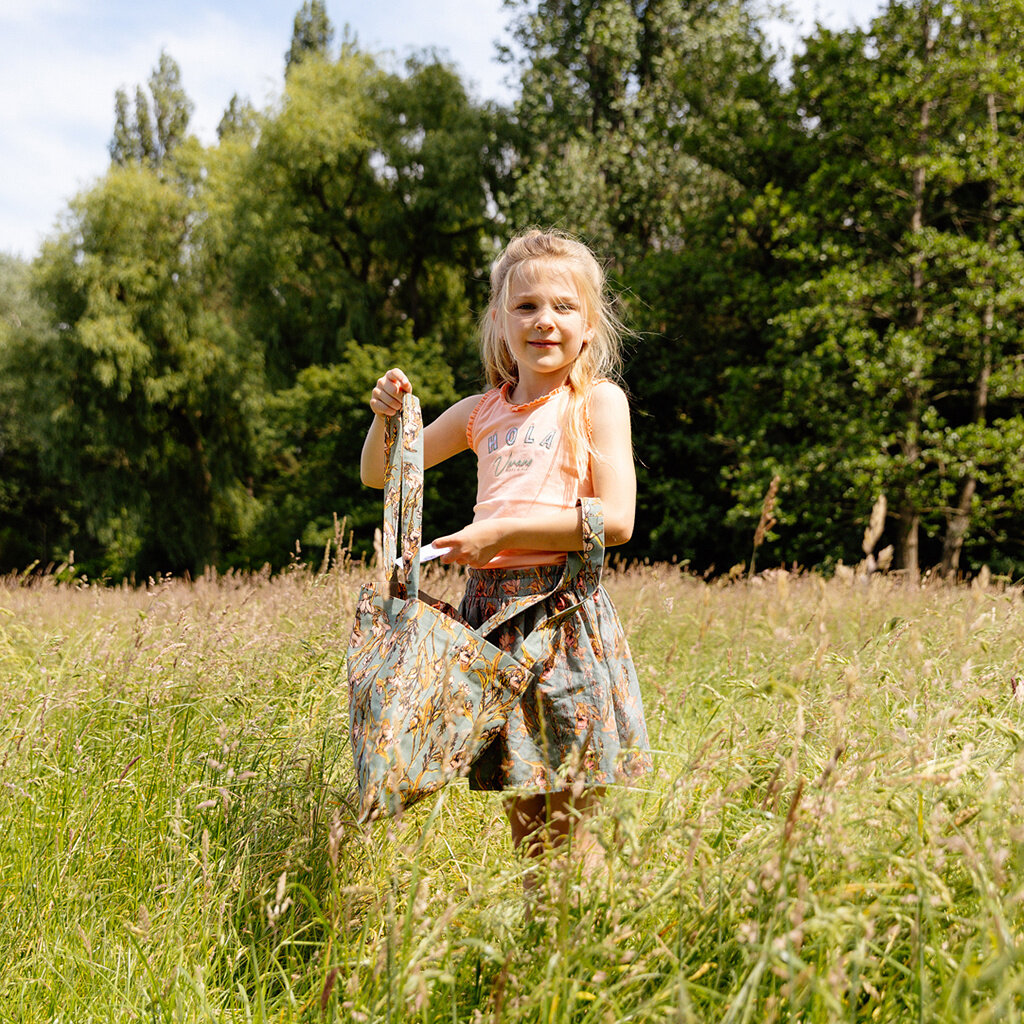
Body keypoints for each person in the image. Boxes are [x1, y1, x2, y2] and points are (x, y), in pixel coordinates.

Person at [360, 229, 650, 890]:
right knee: (527, 824)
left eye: (563, 306)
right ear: (498, 319)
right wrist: (387, 420)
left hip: (560, 616)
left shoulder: (596, 402)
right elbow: (381, 475)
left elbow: (618, 520)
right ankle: (547, 959)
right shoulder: (478, 413)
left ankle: (594, 957)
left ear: (589, 324)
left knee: (571, 822)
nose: (544, 320)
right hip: (491, 626)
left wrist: (503, 532)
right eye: (525, 307)